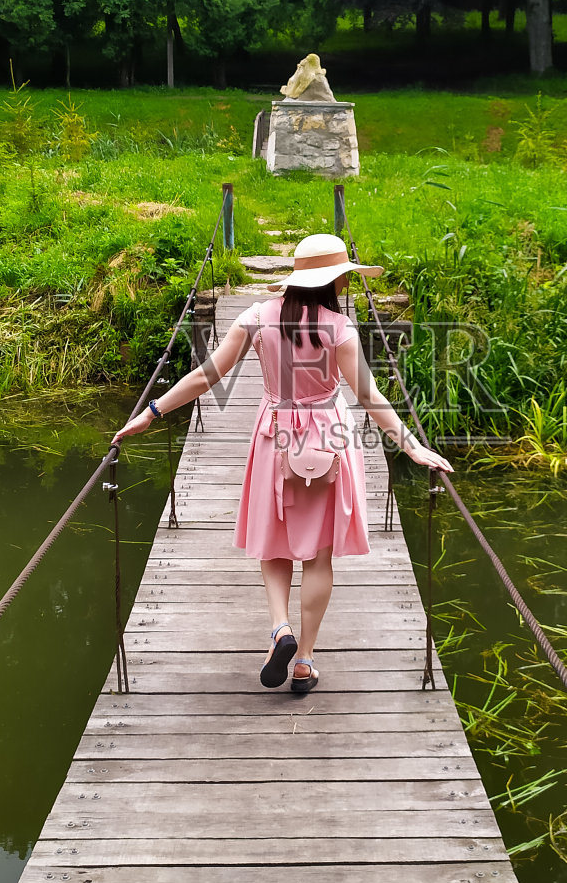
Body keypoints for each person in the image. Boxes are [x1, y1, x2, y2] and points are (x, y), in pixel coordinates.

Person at [114, 233, 452, 693]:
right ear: (334, 282)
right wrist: (411, 445)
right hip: (329, 440)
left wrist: (151, 413)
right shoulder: (340, 328)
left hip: (275, 436)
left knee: (275, 543)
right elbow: (369, 397)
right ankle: (305, 662)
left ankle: (280, 629)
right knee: (319, 555)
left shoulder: (256, 317)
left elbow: (205, 376)